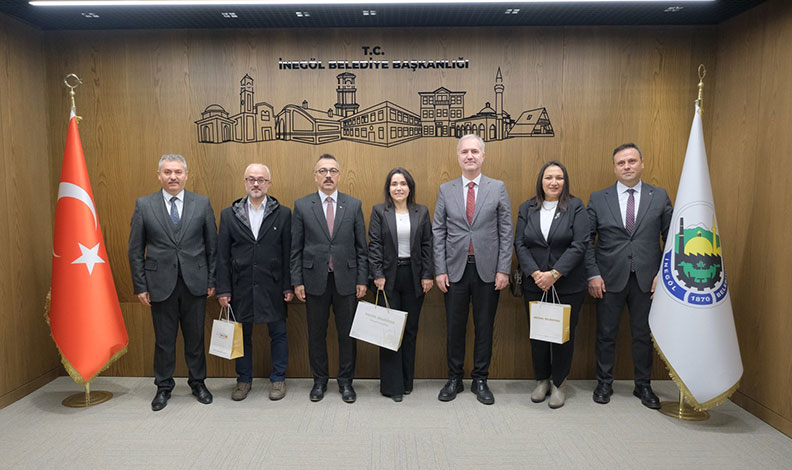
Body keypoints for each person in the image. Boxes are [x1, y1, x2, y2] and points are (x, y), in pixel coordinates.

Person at [585, 143, 673, 409]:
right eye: (621, 163)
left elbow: (672, 238)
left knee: (643, 335)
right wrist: (593, 274)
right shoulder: (599, 198)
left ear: (642, 164)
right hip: (608, 278)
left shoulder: (659, 196)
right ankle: (604, 383)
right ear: (614, 168)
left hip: (647, 279)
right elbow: (587, 240)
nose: (627, 166)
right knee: (605, 334)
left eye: (632, 161)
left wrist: (664, 274)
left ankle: (643, 385)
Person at [128, 154, 217, 411]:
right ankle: (163, 386)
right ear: (159, 175)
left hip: (195, 283)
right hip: (159, 284)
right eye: (167, 172)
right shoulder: (144, 205)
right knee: (164, 340)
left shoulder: (202, 203)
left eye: (178, 172)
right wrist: (140, 285)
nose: (173, 177)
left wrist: (212, 279)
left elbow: (213, 246)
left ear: (186, 175)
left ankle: (198, 383)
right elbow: (135, 249)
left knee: (195, 338)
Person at [433, 134, 513, 405]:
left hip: (488, 271)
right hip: (454, 271)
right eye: (465, 151)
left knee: (484, 327)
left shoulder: (497, 187)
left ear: (483, 156)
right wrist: (440, 270)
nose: (470, 156)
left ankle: (480, 379)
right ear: (458, 156)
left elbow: (506, 231)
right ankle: (454, 378)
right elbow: (438, 231)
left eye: (475, 151)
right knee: (454, 327)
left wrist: (504, 269)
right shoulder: (446, 190)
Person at [291, 154, 368, 403]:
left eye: (333, 171)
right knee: (316, 333)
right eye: (322, 171)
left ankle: (346, 382)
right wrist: (297, 281)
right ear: (315, 176)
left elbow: (361, 247)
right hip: (314, 280)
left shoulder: (353, 205)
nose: (328, 175)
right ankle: (320, 381)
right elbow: (296, 248)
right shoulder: (302, 206)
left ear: (339, 176)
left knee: (347, 334)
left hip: (347, 279)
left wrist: (362, 279)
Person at [514, 161, 590, 409]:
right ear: (541, 181)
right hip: (535, 284)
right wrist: (536, 273)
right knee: (538, 334)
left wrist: (554, 274)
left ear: (565, 181)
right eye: (549, 177)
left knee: (562, 336)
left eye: (559, 177)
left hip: (567, 284)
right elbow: (520, 243)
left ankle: (559, 382)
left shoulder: (576, 206)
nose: (554, 182)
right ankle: (541, 380)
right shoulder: (527, 208)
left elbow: (580, 244)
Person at [216, 164, 292, 402]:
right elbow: (222, 256)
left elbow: (288, 252)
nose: (256, 183)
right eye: (251, 179)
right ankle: (243, 380)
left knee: (278, 333)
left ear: (269, 183)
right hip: (241, 285)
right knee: (242, 335)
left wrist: (288, 285)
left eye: (261, 179)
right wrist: (223, 288)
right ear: (244, 182)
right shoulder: (229, 215)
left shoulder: (283, 213)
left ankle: (278, 378)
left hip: (273, 285)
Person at [368, 168, 434, 402]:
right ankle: (392, 385)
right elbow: (375, 244)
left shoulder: (421, 211)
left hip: (414, 277)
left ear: (410, 187)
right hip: (388, 278)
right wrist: (377, 273)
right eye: (394, 184)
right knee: (390, 331)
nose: (399, 188)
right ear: (388, 188)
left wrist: (428, 274)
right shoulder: (379, 211)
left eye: (403, 184)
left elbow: (427, 245)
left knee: (410, 330)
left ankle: (407, 381)